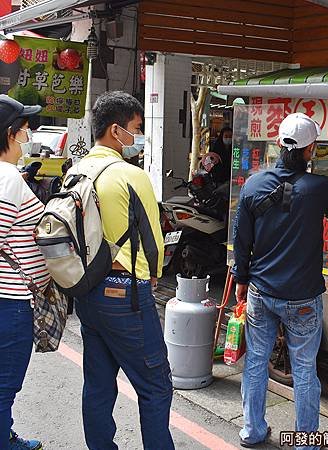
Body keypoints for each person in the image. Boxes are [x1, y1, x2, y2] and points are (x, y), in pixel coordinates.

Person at [233, 113, 328, 449]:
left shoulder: (254, 184)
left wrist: (241, 279)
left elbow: (242, 239)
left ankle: (252, 431)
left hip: (261, 291)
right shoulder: (319, 188)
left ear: (278, 142)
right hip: (302, 298)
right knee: (303, 368)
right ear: (309, 148)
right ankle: (306, 441)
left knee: (256, 360)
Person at [74, 91, 173, 450]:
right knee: (156, 384)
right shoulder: (131, 175)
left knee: (98, 384)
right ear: (117, 130)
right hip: (124, 293)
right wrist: (155, 272)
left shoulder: (77, 170)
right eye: (137, 128)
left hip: (86, 291)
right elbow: (154, 241)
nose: (138, 136)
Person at [0, 95, 49, 450]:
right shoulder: (7, 178)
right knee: (5, 384)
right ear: (11, 133)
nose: (29, 132)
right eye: (25, 126)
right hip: (11, 299)